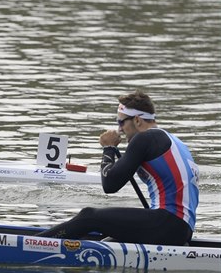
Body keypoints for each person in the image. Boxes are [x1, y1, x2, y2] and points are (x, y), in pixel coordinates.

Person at [38, 90, 199, 245]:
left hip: (167, 223)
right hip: (181, 229)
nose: (119, 129)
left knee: (89, 216)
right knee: (107, 240)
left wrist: (108, 148)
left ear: (137, 120)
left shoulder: (145, 138)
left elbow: (110, 184)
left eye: (121, 122)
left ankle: (36, 244)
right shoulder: (174, 141)